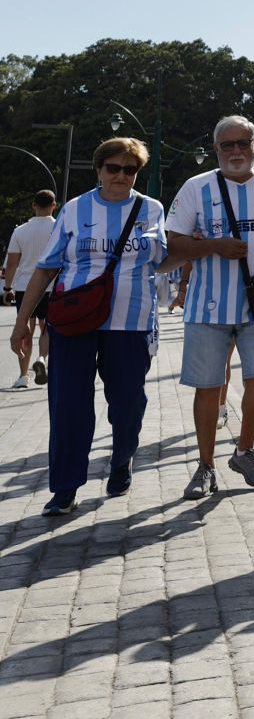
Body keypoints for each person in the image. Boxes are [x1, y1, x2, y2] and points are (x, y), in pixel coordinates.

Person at [11, 139, 178, 515]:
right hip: (74, 321)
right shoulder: (74, 209)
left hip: (130, 322)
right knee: (68, 404)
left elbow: (163, 261)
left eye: (130, 169)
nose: (121, 176)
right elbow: (46, 267)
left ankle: (122, 458)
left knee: (126, 402)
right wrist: (22, 323)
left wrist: (200, 249)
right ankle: (65, 487)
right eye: (113, 168)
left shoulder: (151, 209)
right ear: (99, 169)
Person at [164, 116, 254, 498]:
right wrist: (214, 246)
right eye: (227, 145)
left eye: (243, 142)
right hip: (207, 308)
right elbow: (173, 244)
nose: (236, 151)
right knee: (209, 388)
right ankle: (205, 465)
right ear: (216, 150)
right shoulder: (197, 187)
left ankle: (244, 449)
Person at [4, 190, 58, 388]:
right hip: (51, 286)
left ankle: (23, 375)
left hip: (24, 286)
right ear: (54, 205)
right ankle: (42, 358)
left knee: (25, 326)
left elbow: (11, 264)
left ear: (34, 205)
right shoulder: (58, 229)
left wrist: (8, 287)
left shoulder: (20, 231)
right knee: (46, 327)